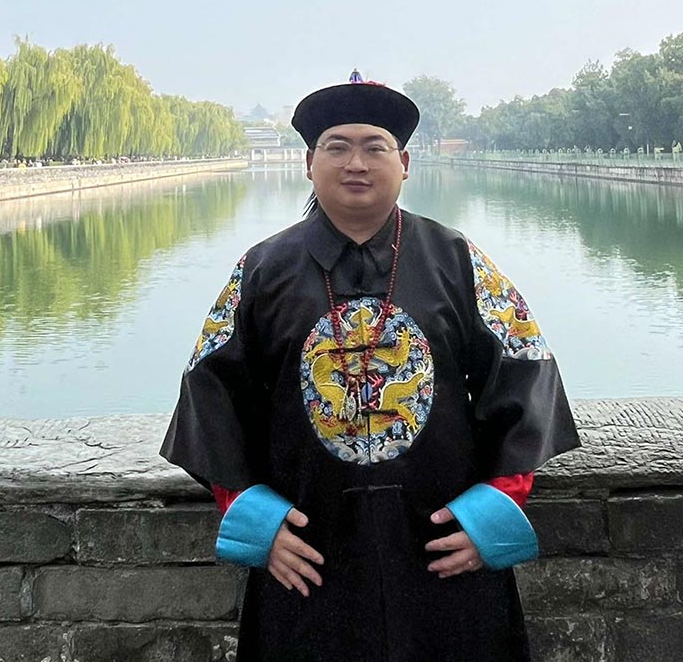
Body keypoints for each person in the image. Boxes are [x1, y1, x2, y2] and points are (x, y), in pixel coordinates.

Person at [161, 82, 580, 662]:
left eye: (375, 147)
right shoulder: (261, 270)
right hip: (307, 552)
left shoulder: (456, 259)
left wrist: (495, 511)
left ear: (403, 164)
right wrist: (255, 521)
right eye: (337, 147)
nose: (356, 163)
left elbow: (524, 374)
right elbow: (211, 394)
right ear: (309, 163)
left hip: (444, 544)